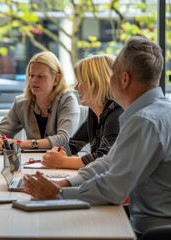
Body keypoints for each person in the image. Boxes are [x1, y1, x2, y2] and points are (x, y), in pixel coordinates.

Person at [23, 36, 171, 238]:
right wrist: (64, 184)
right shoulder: (154, 113)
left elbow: (113, 188)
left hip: (148, 232)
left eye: (113, 74)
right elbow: (108, 161)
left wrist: (58, 194)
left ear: (124, 79)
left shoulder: (145, 121)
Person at [42, 54, 123, 169]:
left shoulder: (117, 112)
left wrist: (63, 161)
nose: (76, 87)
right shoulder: (95, 112)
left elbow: (103, 159)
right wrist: (60, 151)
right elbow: (74, 145)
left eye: (80, 82)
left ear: (95, 83)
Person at [0, 51, 80, 150]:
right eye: (31, 75)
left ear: (56, 79)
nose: (34, 80)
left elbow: (64, 139)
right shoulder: (21, 102)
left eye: (40, 76)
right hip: (31, 162)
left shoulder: (67, 99)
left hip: (64, 162)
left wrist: (19, 144)